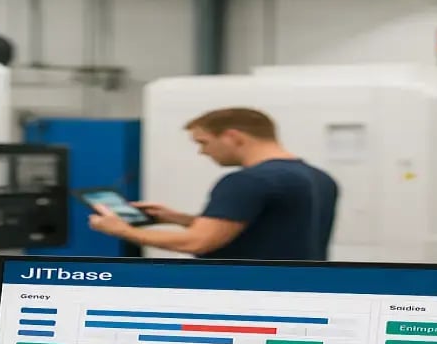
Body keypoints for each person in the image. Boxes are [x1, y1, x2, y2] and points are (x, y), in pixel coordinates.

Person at [88, 107, 339, 261]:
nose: (202, 152)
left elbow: (197, 242)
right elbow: (270, 231)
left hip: (248, 295)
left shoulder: (246, 181)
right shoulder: (319, 178)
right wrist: (180, 219)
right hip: (297, 290)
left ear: (232, 136)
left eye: (203, 142)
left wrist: (122, 230)